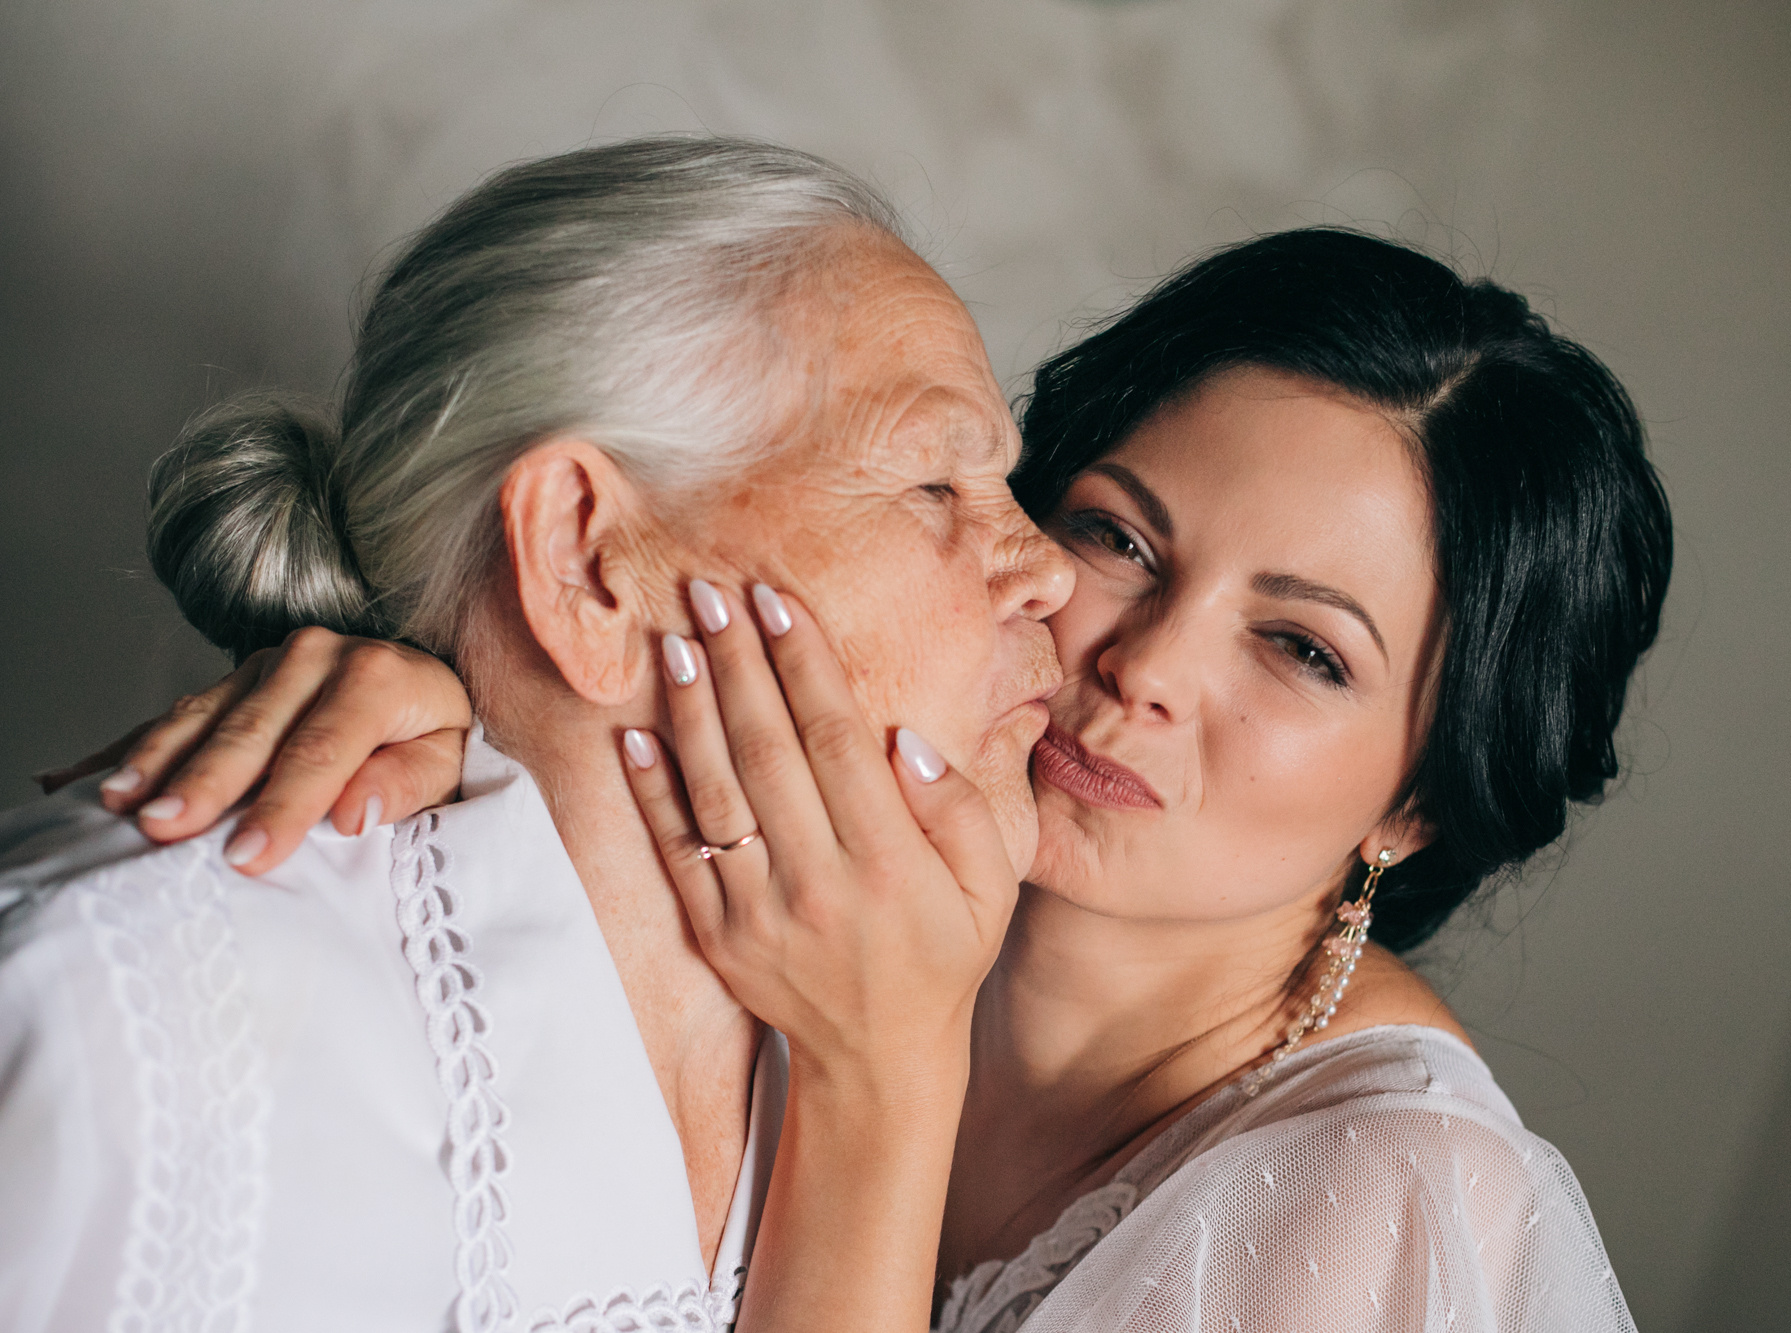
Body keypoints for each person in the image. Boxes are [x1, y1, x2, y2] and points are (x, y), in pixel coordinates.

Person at [41, 227, 1672, 1330]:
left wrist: (883, 1081)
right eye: (1117, 534)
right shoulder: (838, 853)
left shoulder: (1385, 1213)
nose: (1147, 665)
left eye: (1304, 650)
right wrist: (444, 682)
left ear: (1418, 797)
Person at [0, 136, 1075, 1333]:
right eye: (936, 485)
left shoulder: (878, 1016)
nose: (1051, 574)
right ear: (586, 563)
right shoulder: (129, 1013)